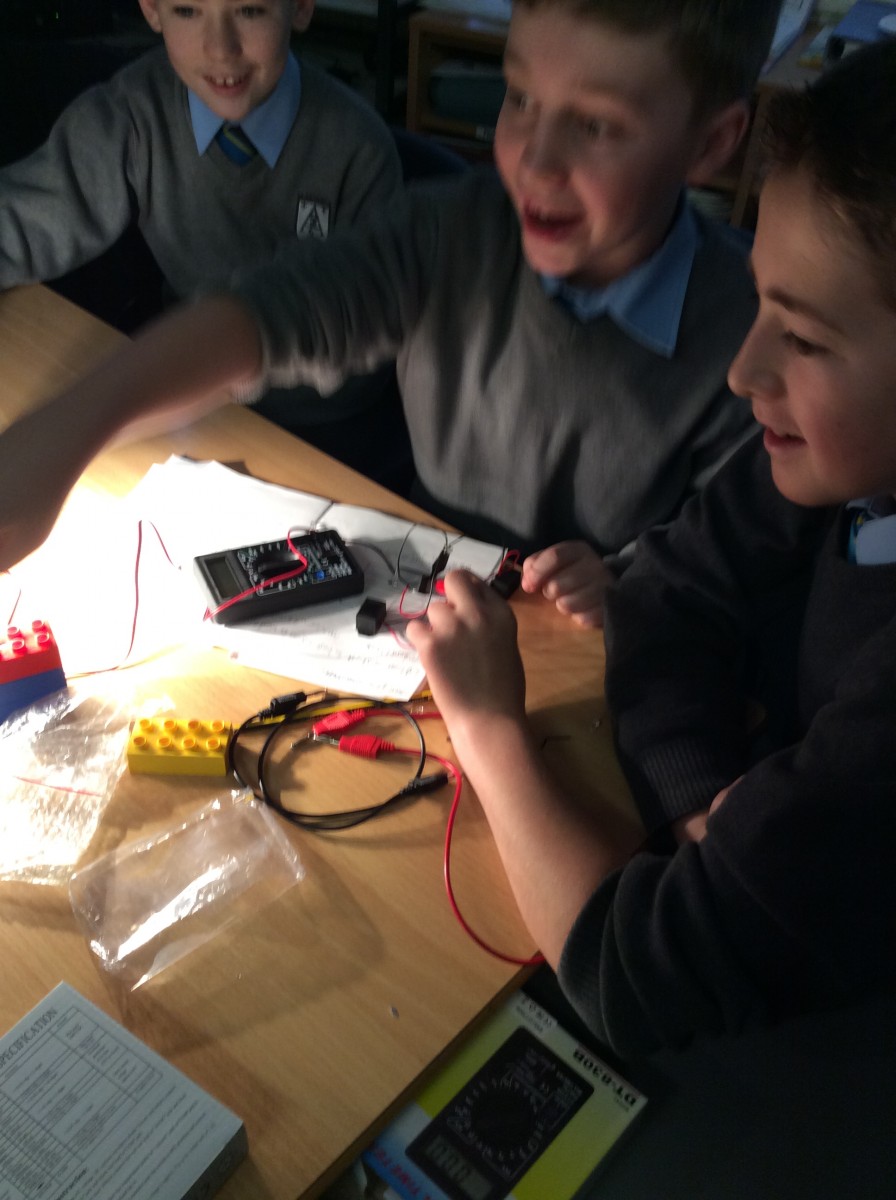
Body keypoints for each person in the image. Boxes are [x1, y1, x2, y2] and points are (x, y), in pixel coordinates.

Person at [405, 38, 896, 1056]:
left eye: (803, 340)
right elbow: (670, 586)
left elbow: (629, 981)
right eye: (760, 305)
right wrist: (701, 801)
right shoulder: (851, 468)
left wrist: (487, 729)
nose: (743, 371)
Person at [0, 0, 778, 624]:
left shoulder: (753, 338)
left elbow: (732, 561)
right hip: (426, 584)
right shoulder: (447, 231)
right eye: (519, 98)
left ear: (711, 144)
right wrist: (66, 433)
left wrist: (626, 582)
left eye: (597, 126)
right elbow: (272, 313)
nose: (535, 162)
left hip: (586, 648)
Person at [0, 0, 408, 486]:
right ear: (151, 10)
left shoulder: (357, 149)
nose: (220, 48)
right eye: (187, 11)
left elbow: (359, 353)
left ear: (300, 7)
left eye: (250, 11)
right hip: (184, 406)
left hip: (322, 434)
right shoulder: (135, 110)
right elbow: (26, 218)